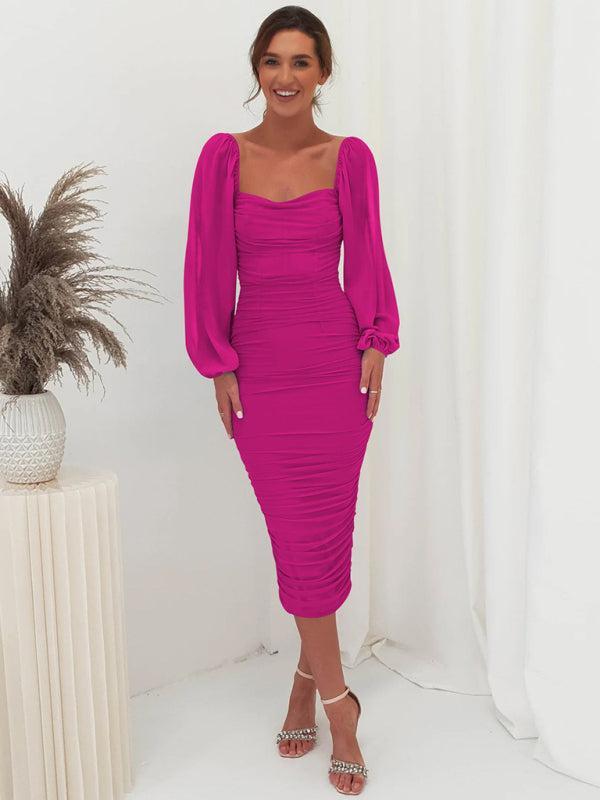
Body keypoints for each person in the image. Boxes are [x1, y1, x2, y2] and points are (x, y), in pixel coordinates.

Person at [183, 7, 400, 795]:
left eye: (301, 62)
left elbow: (368, 254)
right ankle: (340, 705)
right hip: (262, 375)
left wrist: (376, 339)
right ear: (256, 69)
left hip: (334, 373)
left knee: (321, 541)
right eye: (273, 61)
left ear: (323, 73)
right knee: (297, 539)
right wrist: (217, 362)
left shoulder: (348, 159)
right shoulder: (223, 158)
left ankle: (313, 690)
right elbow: (206, 265)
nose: (285, 76)